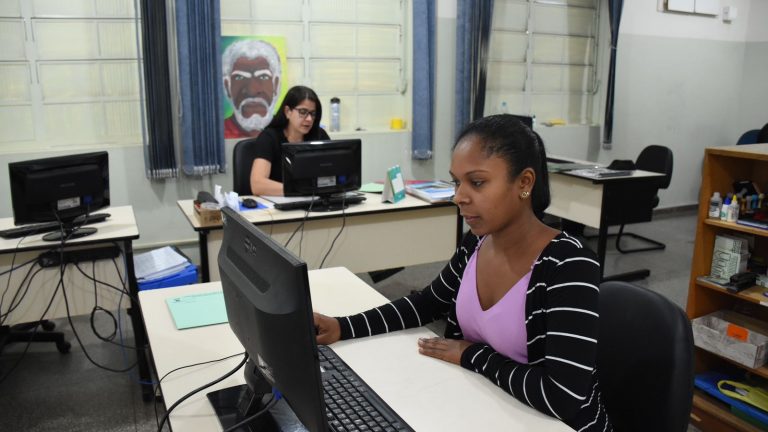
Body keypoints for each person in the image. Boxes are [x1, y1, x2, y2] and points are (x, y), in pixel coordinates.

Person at [314, 114, 612, 431]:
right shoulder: (478, 242)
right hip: (483, 406)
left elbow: (562, 396)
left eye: (478, 182)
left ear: (524, 183)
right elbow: (426, 303)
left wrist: (473, 355)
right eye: (457, 182)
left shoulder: (569, 264)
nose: (459, 196)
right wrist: (342, 327)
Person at [249, 85, 330, 196]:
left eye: (312, 113)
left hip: (314, 202)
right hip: (277, 206)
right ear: (288, 111)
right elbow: (257, 185)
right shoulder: (269, 138)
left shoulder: (319, 135)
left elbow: (333, 174)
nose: (309, 119)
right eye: (303, 112)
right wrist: (300, 190)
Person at [222, 39, 282, 139]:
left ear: (276, 84)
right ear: (227, 86)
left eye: (263, 77)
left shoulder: (284, 130)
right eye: (239, 77)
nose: (252, 91)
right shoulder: (219, 132)